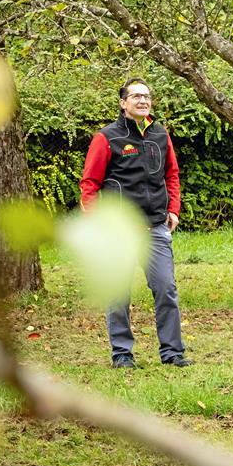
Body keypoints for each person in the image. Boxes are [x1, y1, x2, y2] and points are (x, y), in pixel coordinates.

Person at [80, 77, 191, 369]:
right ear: (123, 103)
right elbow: (89, 184)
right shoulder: (106, 137)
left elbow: (172, 175)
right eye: (136, 96)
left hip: (155, 228)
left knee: (166, 289)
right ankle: (122, 354)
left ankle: (172, 353)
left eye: (147, 96)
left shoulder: (160, 135)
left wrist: (174, 210)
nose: (143, 101)